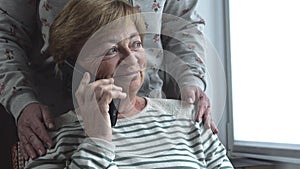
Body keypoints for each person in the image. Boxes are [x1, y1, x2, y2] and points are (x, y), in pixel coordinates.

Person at [22, 0, 233, 168]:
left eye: (136, 44)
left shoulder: (190, 121)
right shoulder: (51, 138)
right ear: (73, 66)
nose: (132, 59)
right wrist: (98, 140)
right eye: (111, 50)